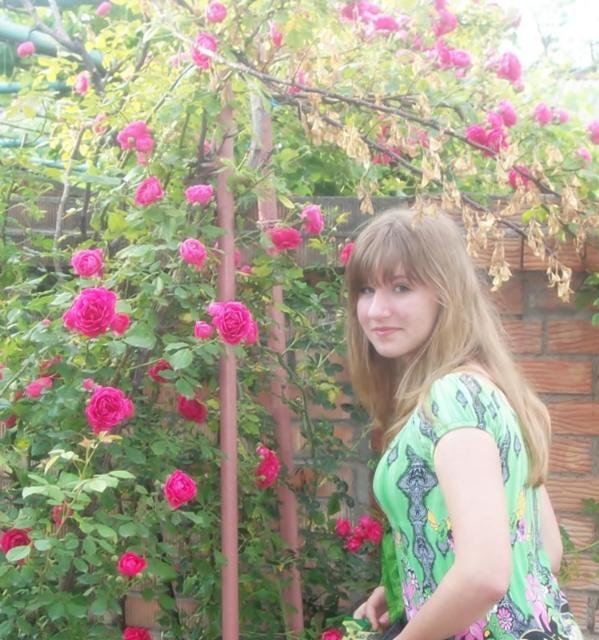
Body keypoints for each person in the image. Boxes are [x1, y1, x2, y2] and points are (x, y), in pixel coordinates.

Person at [343, 208, 582, 640]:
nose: (376, 310)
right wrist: (414, 585)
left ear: (446, 294)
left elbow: (484, 573)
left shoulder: (452, 399)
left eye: (401, 287)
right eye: (366, 289)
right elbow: (544, 548)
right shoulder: (490, 387)